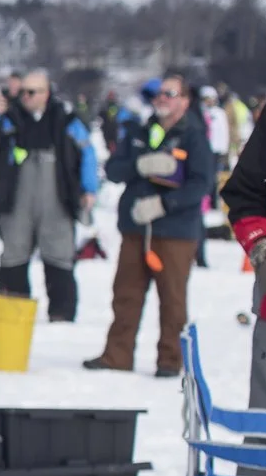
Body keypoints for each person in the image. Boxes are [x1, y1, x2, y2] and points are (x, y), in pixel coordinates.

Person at [84, 73, 210, 377]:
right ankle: (117, 355)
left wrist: (165, 204)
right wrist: (138, 166)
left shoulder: (194, 135)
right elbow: (114, 170)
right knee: (125, 294)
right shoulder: (139, 130)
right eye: (158, 93)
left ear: (184, 100)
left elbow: (201, 184)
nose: (162, 98)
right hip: (136, 228)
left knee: (172, 300)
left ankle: (169, 360)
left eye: (170, 93)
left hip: (175, 232)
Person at [0, 69, 98, 322]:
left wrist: (89, 188)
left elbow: (87, 153)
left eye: (32, 92)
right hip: (16, 197)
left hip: (57, 196)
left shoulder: (66, 121)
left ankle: (61, 315)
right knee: (14, 254)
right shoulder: (8, 119)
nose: (26, 97)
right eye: (23, 92)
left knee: (59, 256)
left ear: (46, 93)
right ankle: (13, 315)